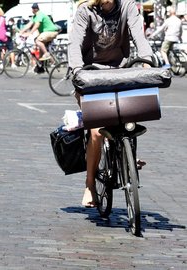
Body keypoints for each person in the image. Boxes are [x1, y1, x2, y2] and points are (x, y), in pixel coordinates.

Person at [68, 0, 152, 207]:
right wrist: (77, 69)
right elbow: (75, 43)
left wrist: (146, 59)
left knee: (130, 118)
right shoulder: (85, 11)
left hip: (119, 72)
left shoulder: (127, 6)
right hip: (90, 75)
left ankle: (127, 155)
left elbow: (138, 34)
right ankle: (89, 186)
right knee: (96, 132)